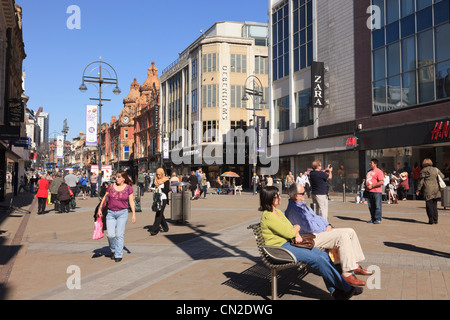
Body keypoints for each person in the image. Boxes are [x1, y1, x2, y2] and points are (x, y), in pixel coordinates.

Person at [259, 186, 363, 300]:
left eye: (278, 194)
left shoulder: (277, 211)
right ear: (269, 198)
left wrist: (295, 231)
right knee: (318, 260)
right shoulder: (268, 216)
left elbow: (292, 227)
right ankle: (346, 289)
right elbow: (289, 232)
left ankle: (336, 291)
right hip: (279, 250)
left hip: (288, 245)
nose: (279, 197)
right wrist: (295, 231)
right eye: (276, 196)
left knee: (323, 255)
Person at [286, 183, 373, 287]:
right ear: (296, 196)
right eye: (303, 192)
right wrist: (325, 228)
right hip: (311, 237)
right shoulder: (294, 209)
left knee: (350, 231)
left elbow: (317, 218)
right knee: (342, 237)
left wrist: (328, 224)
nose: (306, 193)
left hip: (319, 232)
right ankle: (347, 273)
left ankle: (354, 265)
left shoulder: (302, 204)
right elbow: (309, 227)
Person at [97, 171, 136, 262]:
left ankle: (118, 254)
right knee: (110, 235)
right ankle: (113, 250)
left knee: (119, 235)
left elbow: (131, 201)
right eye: (116, 177)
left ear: (123, 178)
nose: (117, 179)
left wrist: (134, 214)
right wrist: (100, 208)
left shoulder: (128, 188)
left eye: (119, 177)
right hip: (110, 213)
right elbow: (105, 197)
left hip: (122, 213)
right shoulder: (111, 186)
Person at [416, 158, 445, 225]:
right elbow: (442, 176)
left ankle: (431, 220)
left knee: (429, 205)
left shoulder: (423, 170)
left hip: (428, 189)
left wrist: (418, 189)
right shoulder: (436, 169)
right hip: (436, 189)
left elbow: (421, 181)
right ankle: (436, 220)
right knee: (435, 205)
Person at [150, 168, 170, 236]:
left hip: (163, 199)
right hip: (157, 199)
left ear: (162, 174)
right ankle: (165, 227)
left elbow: (167, 190)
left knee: (158, 213)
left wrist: (160, 188)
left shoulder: (166, 180)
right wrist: (152, 188)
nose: (158, 176)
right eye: (157, 174)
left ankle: (154, 230)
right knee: (160, 213)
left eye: (160, 175)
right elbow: (153, 186)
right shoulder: (155, 180)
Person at [366, 159, 384, 224]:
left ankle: (378, 219)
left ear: (375, 164)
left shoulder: (379, 172)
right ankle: (373, 218)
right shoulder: (369, 171)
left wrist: (373, 186)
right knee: (371, 206)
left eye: (371, 163)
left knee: (377, 206)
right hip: (369, 191)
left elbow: (381, 182)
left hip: (376, 191)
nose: (370, 164)